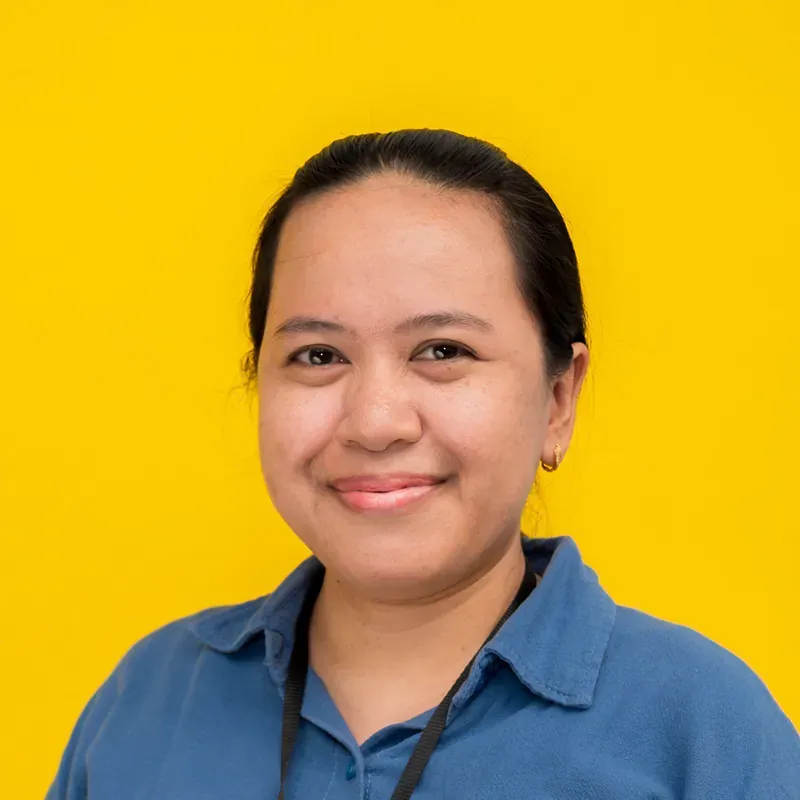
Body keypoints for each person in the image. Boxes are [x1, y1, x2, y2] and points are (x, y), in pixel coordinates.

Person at [47, 129, 799, 799]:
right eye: (318, 355)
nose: (375, 422)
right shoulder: (148, 702)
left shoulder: (701, 733)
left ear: (558, 399)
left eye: (443, 351)